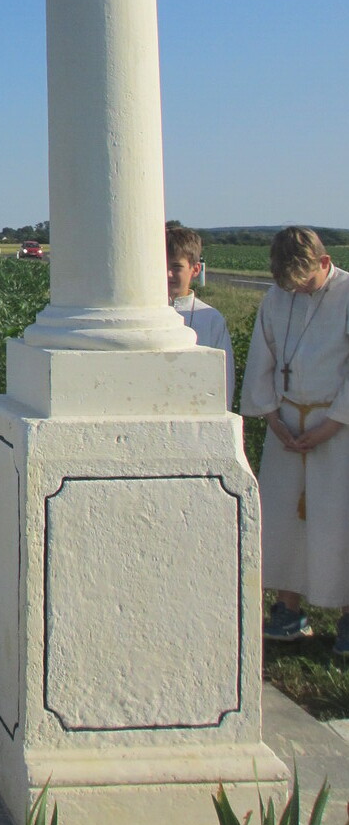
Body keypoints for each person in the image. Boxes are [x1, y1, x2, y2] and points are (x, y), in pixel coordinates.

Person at [239, 227, 349, 655]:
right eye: (291, 285)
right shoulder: (277, 297)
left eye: (306, 282)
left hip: (337, 429)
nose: (298, 291)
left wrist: (331, 426)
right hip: (287, 427)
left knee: (338, 520)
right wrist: (272, 417)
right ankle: (288, 611)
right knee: (286, 521)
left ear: (324, 262)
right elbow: (262, 358)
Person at [166, 225, 234, 404]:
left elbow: (224, 377)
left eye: (176, 267)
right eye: (162, 266)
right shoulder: (146, 313)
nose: (168, 274)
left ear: (195, 269)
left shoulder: (210, 319)